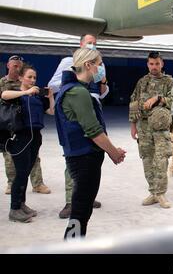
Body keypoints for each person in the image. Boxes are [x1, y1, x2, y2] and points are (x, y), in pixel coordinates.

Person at [54, 48, 125, 239]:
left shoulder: (73, 89)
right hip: (85, 159)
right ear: (88, 65)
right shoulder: (78, 93)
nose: (101, 68)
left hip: (79, 157)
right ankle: (73, 246)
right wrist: (114, 153)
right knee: (80, 213)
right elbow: (94, 131)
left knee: (82, 211)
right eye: (99, 64)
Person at [48, 34, 107, 218]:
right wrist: (76, 82)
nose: (92, 46)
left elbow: (104, 92)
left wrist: (102, 81)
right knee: (77, 158)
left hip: (91, 106)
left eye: (95, 44)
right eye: (89, 43)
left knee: (89, 162)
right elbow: (53, 84)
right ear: (81, 44)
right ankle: (70, 201)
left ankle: (84, 196)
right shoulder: (69, 62)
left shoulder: (99, 64)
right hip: (77, 108)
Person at [1, 64, 54, 222]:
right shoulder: (17, 95)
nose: (32, 80)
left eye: (34, 78)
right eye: (29, 77)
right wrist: (25, 92)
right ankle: (14, 209)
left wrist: (50, 96)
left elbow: (51, 111)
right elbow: (3, 94)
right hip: (21, 137)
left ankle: (21, 204)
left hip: (35, 137)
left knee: (26, 171)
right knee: (21, 173)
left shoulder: (37, 97)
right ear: (20, 78)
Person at [129, 51, 173, 208]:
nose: (154, 67)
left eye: (157, 64)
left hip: (160, 128)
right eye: (151, 64)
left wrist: (159, 99)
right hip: (143, 128)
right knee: (147, 160)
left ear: (162, 64)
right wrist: (133, 125)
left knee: (161, 160)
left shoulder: (168, 81)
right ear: (147, 64)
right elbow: (133, 102)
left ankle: (161, 194)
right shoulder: (142, 82)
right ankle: (153, 193)